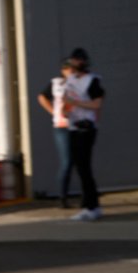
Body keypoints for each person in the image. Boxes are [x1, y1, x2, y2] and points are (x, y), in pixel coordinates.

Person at [63, 47, 105, 221]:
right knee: (79, 167)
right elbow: (67, 100)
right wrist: (66, 109)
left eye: (77, 60)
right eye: (73, 60)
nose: (74, 64)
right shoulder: (71, 79)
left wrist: (76, 103)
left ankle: (91, 206)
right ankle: (89, 203)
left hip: (86, 128)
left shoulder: (92, 81)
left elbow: (96, 105)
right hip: (74, 126)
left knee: (84, 167)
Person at [37, 60, 75, 208]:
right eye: (69, 69)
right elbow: (42, 97)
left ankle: (85, 196)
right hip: (62, 126)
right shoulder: (57, 83)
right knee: (67, 162)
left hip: (77, 126)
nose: (72, 72)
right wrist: (53, 112)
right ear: (63, 70)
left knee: (79, 162)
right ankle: (63, 197)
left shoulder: (80, 83)